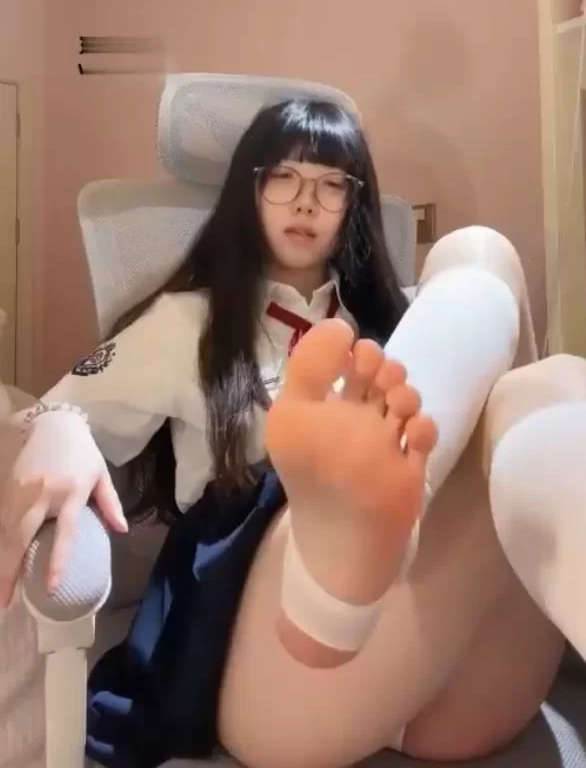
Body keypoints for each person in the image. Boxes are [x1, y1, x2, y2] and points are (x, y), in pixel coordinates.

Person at [0, 97, 571, 768]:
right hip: (275, 661)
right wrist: (59, 423)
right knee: (493, 284)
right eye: (284, 178)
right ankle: (339, 546)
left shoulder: (404, 335)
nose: (306, 201)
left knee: (542, 376)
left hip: (439, 688)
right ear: (250, 190)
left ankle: (386, 519)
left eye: (331, 185)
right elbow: (47, 413)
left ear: (354, 205)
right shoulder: (188, 322)